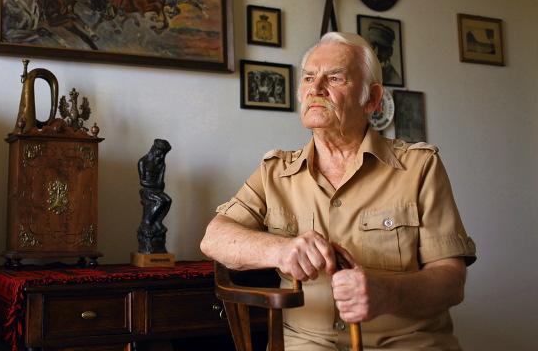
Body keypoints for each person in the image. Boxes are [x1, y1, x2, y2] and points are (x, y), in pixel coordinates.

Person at [201, 32, 476, 350]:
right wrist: (281, 250)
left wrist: (388, 293)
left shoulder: (419, 167)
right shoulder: (274, 171)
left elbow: (451, 281)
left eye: (334, 78)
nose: (315, 88)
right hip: (307, 342)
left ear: (372, 99)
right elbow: (214, 238)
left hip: (406, 342)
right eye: (308, 78)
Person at [137, 139, 172, 254]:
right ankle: (148, 221)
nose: (161, 156)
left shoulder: (161, 164)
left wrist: (157, 185)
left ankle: (158, 222)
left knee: (168, 200)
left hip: (157, 190)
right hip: (147, 191)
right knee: (160, 201)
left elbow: (161, 182)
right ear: (154, 149)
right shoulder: (143, 162)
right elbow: (143, 182)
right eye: (160, 152)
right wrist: (155, 185)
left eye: (163, 154)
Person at [363, 21, 401, 85]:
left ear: (390, 52)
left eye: (382, 48)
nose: (377, 53)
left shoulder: (395, 79)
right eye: (373, 46)